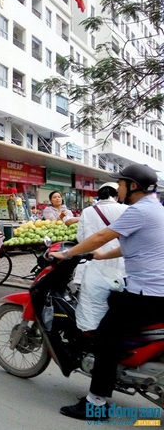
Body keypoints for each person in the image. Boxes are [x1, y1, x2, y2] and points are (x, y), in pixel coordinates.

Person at [50, 164, 164, 421]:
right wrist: (102, 255)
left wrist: (67, 253)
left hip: (147, 294)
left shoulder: (139, 210)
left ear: (133, 186)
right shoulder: (156, 209)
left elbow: (102, 235)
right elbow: (135, 246)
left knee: (105, 337)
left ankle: (96, 403)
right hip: (156, 290)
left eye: (121, 183)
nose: (118, 188)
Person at [71, 182, 127, 331]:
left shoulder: (87, 211)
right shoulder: (125, 209)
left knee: (92, 307)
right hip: (120, 264)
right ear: (116, 195)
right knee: (116, 305)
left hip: (94, 264)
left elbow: (81, 238)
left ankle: (92, 337)